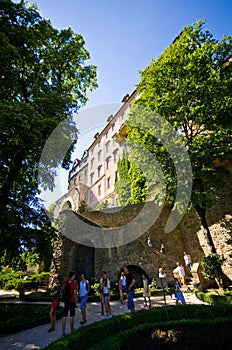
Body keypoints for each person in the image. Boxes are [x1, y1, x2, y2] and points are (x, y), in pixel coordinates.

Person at [61, 272, 78, 336]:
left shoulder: (66, 282)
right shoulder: (74, 283)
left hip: (66, 301)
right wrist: (76, 302)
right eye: (74, 276)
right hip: (72, 300)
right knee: (72, 315)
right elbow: (75, 293)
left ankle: (63, 332)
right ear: (73, 276)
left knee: (64, 316)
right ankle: (71, 330)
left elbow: (63, 289)